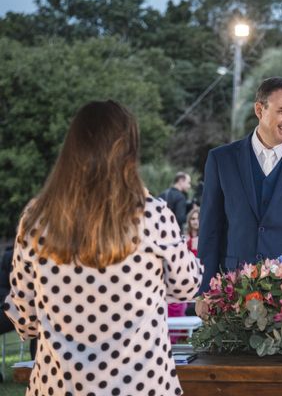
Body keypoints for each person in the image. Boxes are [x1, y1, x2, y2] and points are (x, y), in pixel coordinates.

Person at [3, 100, 202, 395]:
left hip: (60, 386)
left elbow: (25, 319)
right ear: (129, 151)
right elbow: (187, 286)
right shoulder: (152, 214)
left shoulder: (36, 218)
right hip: (141, 385)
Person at [198, 77, 282, 293]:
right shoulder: (221, 159)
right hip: (232, 287)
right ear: (259, 110)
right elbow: (210, 231)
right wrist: (205, 291)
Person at [168, 207, 200, 327]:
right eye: (192, 218)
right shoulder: (183, 238)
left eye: (198, 218)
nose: (195, 221)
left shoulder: (204, 239)